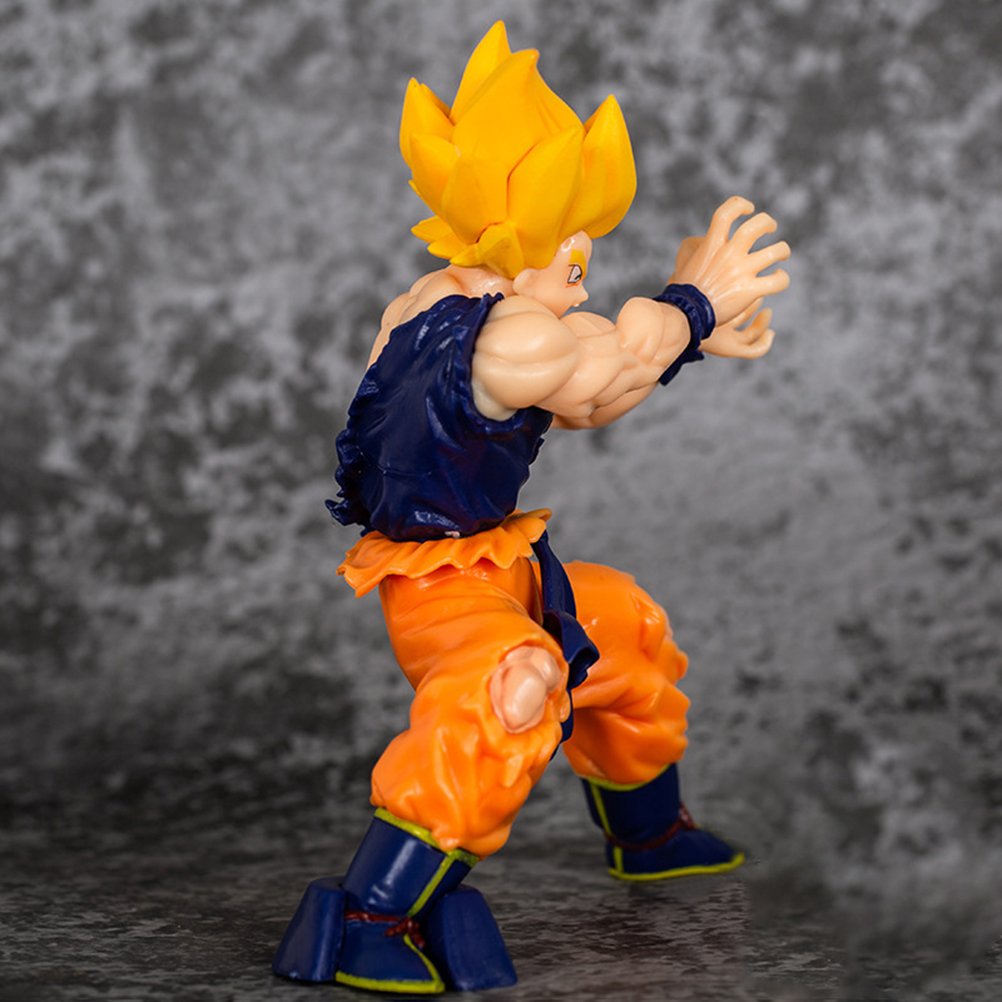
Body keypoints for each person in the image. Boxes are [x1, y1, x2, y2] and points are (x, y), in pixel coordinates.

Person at [273, 21, 790, 994]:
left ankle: (650, 833)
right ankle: (374, 914)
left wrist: (682, 329)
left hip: (501, 562)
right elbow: (605, 380)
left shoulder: (438, 297)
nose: (583, 271)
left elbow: (599, 365)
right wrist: (695, 303)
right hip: (441, 591)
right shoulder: (515, 338)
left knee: (621, 624)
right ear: (542, 238)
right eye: (578, 252)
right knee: (517, 685)